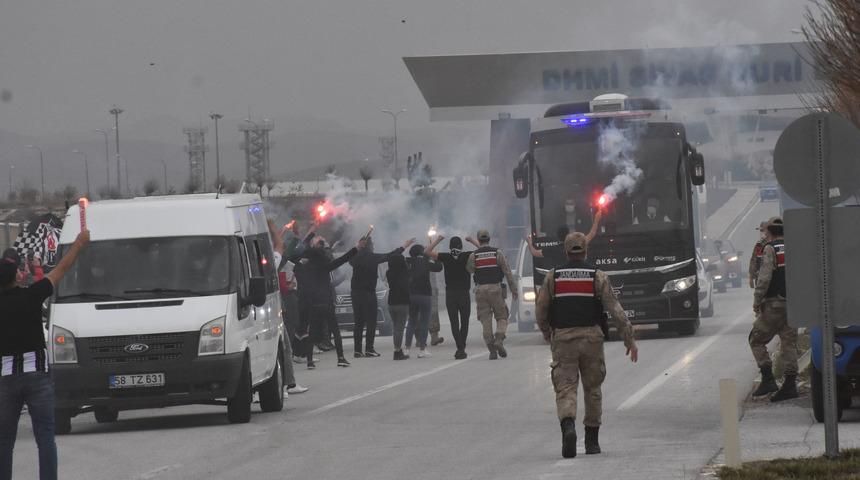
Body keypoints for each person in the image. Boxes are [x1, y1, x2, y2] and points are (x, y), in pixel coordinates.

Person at [535, 232, 638, 459]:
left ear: (565, 251)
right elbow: (616, 310)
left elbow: (541, 309)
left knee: (566, 388)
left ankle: (568, 427)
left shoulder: (554, 277)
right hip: (592, 339)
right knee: (593, 389)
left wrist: (546, 331)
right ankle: (592, 442)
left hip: (563, 339)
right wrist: (629, 339)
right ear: (585, 251)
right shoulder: (597, 276)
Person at [0, 230, 90, 480]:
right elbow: (61, 268)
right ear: (16, 276)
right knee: (45, 439)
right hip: (37, 377)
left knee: (5, 442)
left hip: (7, 378)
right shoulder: (32, 294)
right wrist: (79, 244)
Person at [293, 231, 364, 368]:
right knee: (335, 330)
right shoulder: (325, 267)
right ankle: (341, 358)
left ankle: (309, 361)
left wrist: (306, 247)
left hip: (312, 303)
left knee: (311, 332)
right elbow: (341, 259)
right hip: (326, 301)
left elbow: (295, 256)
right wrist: (356, 248)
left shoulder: (304, 269)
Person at [749, 216, 797, 402]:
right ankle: (790, 384)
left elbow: (764, 278)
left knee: (755, 339)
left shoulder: (770, 249)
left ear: (769, 232)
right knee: (788, 343)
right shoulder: (794, 247)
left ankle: (768, 378)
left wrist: (757, 300)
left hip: (775, 304)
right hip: (794, 305)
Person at [349, 235, 414, 358]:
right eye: (372, 244)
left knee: (358, 322)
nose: (374, 246)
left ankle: (357, 350)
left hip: (356, 293)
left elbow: (350, 260)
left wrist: (358, 248)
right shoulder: (373, 257)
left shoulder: (355, 257)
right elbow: (390, 255)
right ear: (370, 245)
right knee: (371, 321)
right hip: (368, 293)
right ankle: (369, 349)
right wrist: (404, 246)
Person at [267, 220, 308, 394]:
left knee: (278, 349)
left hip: (263, 312)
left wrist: (280, 231)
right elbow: (280, 247)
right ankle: (283, 385)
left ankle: (287, 383)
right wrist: (272, 228)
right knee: (283, 348)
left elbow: (277, 247)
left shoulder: (255, 264)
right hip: (273, 312)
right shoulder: (270, 265)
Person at [466, 230, 518, 359]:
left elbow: (470, 269)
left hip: (480, 290)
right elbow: (507, 272)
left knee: (485, 319)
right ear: (489, 239)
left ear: (478, 240)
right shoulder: (497, 253)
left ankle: (492, 350)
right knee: (502, 316)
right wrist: (514, 289)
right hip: (496, 288)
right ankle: (499, 339)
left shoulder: (474, 255)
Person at [426, 235, 472, 359]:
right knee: (465, 321)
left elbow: (427, 252)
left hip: (451, 294)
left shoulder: (445, 256)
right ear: (461, 246)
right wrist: (472, 240)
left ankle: (460, 347)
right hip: (464, 294)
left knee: (454, 322)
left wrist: (438, 240)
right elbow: (483, 249)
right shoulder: (466, 255)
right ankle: (461, 347)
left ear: (450, 246)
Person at [404, 244, 442, 358]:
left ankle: (406, 349)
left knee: (411, 322)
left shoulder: (408, 261)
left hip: (411, 294)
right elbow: (439, 267)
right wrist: (434, 256)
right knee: (424, 322)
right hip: (425, 294)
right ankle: (422, 349)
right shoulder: (426, 261)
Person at [527, 210, 604, 262]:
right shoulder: (577, 245)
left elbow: (535, 253)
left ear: (558, 235)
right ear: (568, 234)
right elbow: (592, 233)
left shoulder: (552, 250)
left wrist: (529, 242)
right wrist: (596, 220)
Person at [386, 254, 411, 360]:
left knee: (395, 327)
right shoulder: (405, 272)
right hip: (402, 302)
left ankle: (397, 349)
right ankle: (397, 351)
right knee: (399, 329)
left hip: (391, 301)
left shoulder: (389, 272)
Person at [748, 221, 768, 288]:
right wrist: (751, 277)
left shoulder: (773, 243)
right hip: (759, 278)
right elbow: (753, 260)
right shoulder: (759, 244)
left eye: (762, 230)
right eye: (760, 231)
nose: (761, 233)